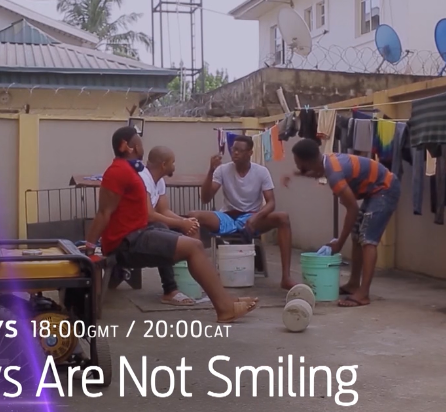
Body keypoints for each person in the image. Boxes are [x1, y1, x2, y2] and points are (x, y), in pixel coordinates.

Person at [83, 126, 257, 322]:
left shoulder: (129, 170)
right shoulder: (117, 172)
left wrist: (182, 222)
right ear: (128, 146)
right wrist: (89, 246)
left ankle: (226, 301)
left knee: (192, 244)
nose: (142, 146)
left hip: (138, 233)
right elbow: (104, 212)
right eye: (138, 142)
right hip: (127, 242)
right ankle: (224, 308)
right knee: (194, 247)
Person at [283, 139, 400, 307]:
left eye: (297, 163)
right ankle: (354, 284)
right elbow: (316, 172)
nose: (297, 165)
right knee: (357, 236)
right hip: (375, 190)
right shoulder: (326, 162)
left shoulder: (335, 175)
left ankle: (363, 294)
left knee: (368, 240)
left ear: (306, 162)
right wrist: (296, 174)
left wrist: (339, 242)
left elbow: (352, 209)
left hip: (385, 189)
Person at [189, 135, 297, 290]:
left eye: (240, 150)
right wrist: (211, 170)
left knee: (283, 218)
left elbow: (271, 203)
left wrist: (256, 217)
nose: (235, 153)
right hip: (227, 216)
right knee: (194, 216)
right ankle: (198, 274)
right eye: (234, 149)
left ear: (250, 153)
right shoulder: (222, 170)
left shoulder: (261, 172)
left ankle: (286, 277)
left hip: (251, 218)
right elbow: (205, 198)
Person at [139, 145, 201, 306]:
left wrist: (186, 222)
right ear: (164, 164)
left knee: (192, 226)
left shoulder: (159, 181)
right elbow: (149, 215)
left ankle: (193, 283)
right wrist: (181, 223)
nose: (174, 166)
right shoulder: (143, 178)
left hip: (151, 225)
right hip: (137, 230)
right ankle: (170, 290)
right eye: (173, 162)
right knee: (162, 230)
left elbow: (164, 210)